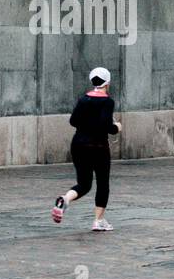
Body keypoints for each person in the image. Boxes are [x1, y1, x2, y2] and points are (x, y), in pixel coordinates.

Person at [52, 66, 122, 232]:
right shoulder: (107, 101)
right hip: (98, 147)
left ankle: (65, 199)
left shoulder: (83, 99)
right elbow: (106, 126)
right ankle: (98, 220)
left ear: (92, 81)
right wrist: (116, 127)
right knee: (102, 183)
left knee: (84, 184)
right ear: (108, 83)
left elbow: (73, 121)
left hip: (78, 145)